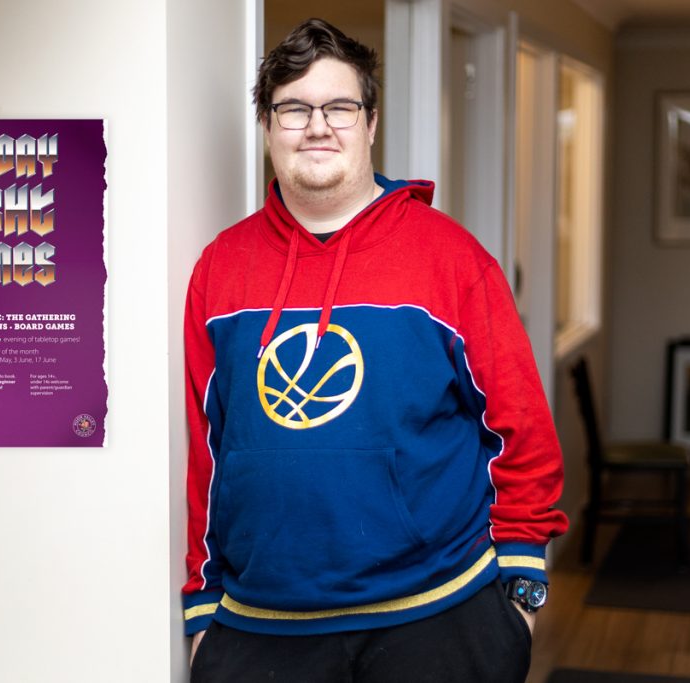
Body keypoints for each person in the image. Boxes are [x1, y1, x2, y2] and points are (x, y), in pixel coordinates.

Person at [182, 18, 567, 682]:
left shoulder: (451, 260)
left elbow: (524, 433)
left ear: (370, 122)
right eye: (294, 109)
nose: (318, 126)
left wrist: (521, 599)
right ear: (268, 127)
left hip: (437, 618)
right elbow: (202, 456)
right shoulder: (221, 269)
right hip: (262, 629)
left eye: (339, 107)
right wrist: (199, 613)